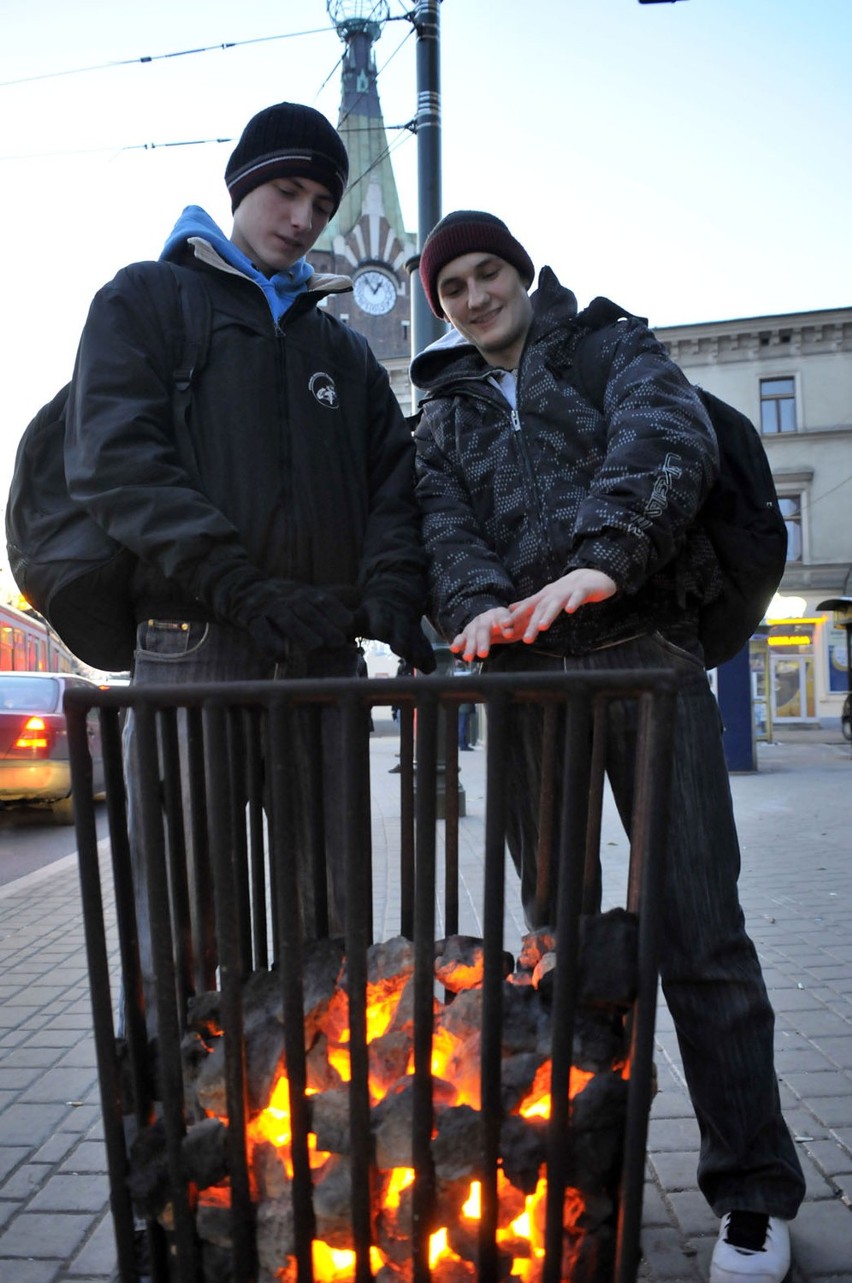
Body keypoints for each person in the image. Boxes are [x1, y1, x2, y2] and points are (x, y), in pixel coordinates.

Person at [410, 210, 804, 1283]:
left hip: (648, 661)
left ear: (523, 273)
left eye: (490, 273)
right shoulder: (440, 417)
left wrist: (603, 560)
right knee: (564, 945)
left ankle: (756, 1195)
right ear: (440, 306)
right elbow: (443, 532)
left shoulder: (609, 346)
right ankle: (582, 1174)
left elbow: (666, 438)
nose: (477, 296)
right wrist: (485, 607)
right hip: (532, 691)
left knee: (699, 934)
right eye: (455, 287)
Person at [64, 102, 434, 1027]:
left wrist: (388, 588)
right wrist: (238, 581)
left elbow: (395, 482)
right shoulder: (147, 302)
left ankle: (320, 1130)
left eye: (320, 200)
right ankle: (177, 1140)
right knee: (189, 919)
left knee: (333, 923)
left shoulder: (340, 351)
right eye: (284, 190)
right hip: (194, 647)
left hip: (318, 656)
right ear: (240, 189)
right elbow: (116, 460)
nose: (303, 216)